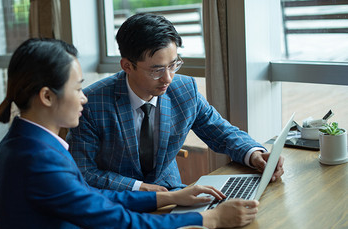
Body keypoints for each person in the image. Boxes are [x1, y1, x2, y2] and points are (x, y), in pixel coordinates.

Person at [0, 38, 259, 229]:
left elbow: (90, 197)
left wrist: (165, 197)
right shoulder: (37, 158)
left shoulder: (27, 141)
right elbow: (124, 225)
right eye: (77, 88)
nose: (84, 98)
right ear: (47, 96)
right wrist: (211, 219)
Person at [67, 13, 284, 192]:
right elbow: (83, 171)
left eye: (173, 65)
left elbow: (221, 131)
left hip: (173, 192)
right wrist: (139, 187)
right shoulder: (91, 103)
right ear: (127, 66)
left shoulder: (184, 89)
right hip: (118, 203)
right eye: (157, 70)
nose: (168, 78)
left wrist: (254, 154)